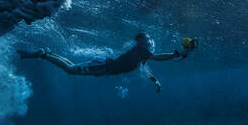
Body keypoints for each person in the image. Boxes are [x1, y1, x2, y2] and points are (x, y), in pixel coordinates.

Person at [17, 33, 191, 93]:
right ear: (144, 43)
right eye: (149, 42)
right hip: (103, 66)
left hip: (103, 67)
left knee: (73, 67)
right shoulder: (140, 51)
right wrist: (176, 54)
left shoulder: (140, 55)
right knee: (71, 70)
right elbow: (158, 57)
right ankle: (44, 55)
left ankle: (47, 53)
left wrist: (156, 81)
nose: (151, 45)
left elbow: (145, 70)